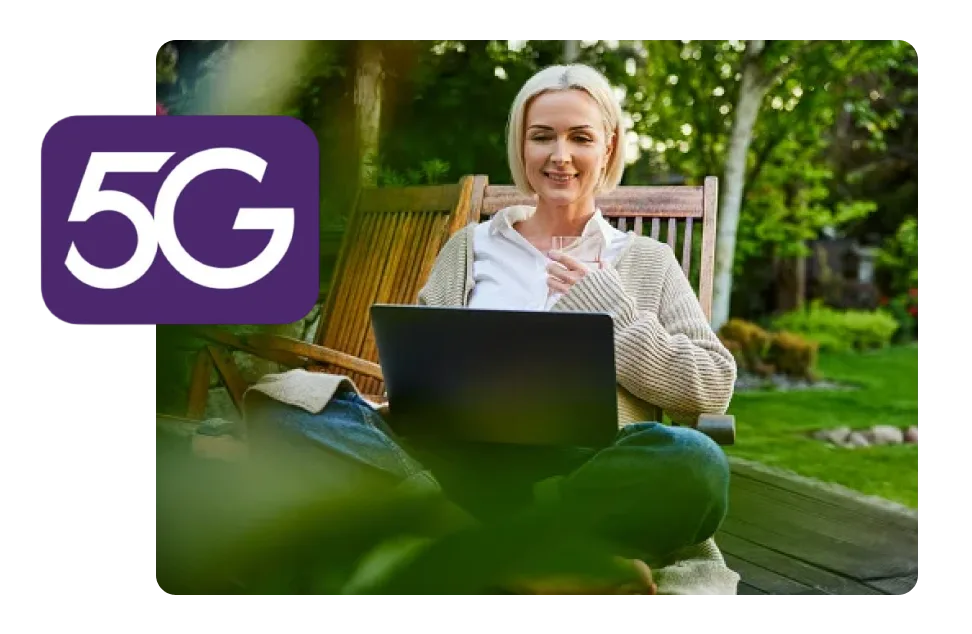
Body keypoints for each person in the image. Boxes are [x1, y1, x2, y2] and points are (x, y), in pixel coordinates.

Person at [240, 63, 740, 598]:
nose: (560, 155)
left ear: (609, 146)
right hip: (455, 462)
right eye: (542, 136)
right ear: (521, 146)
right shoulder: (470, 247)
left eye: (580, 137)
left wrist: (613, 314)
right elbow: (414, 364)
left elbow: (711, 386)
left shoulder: (647, 260)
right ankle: (525, 558)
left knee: (695, 461)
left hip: (587, 470)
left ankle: (482, 547)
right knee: (285, 405)